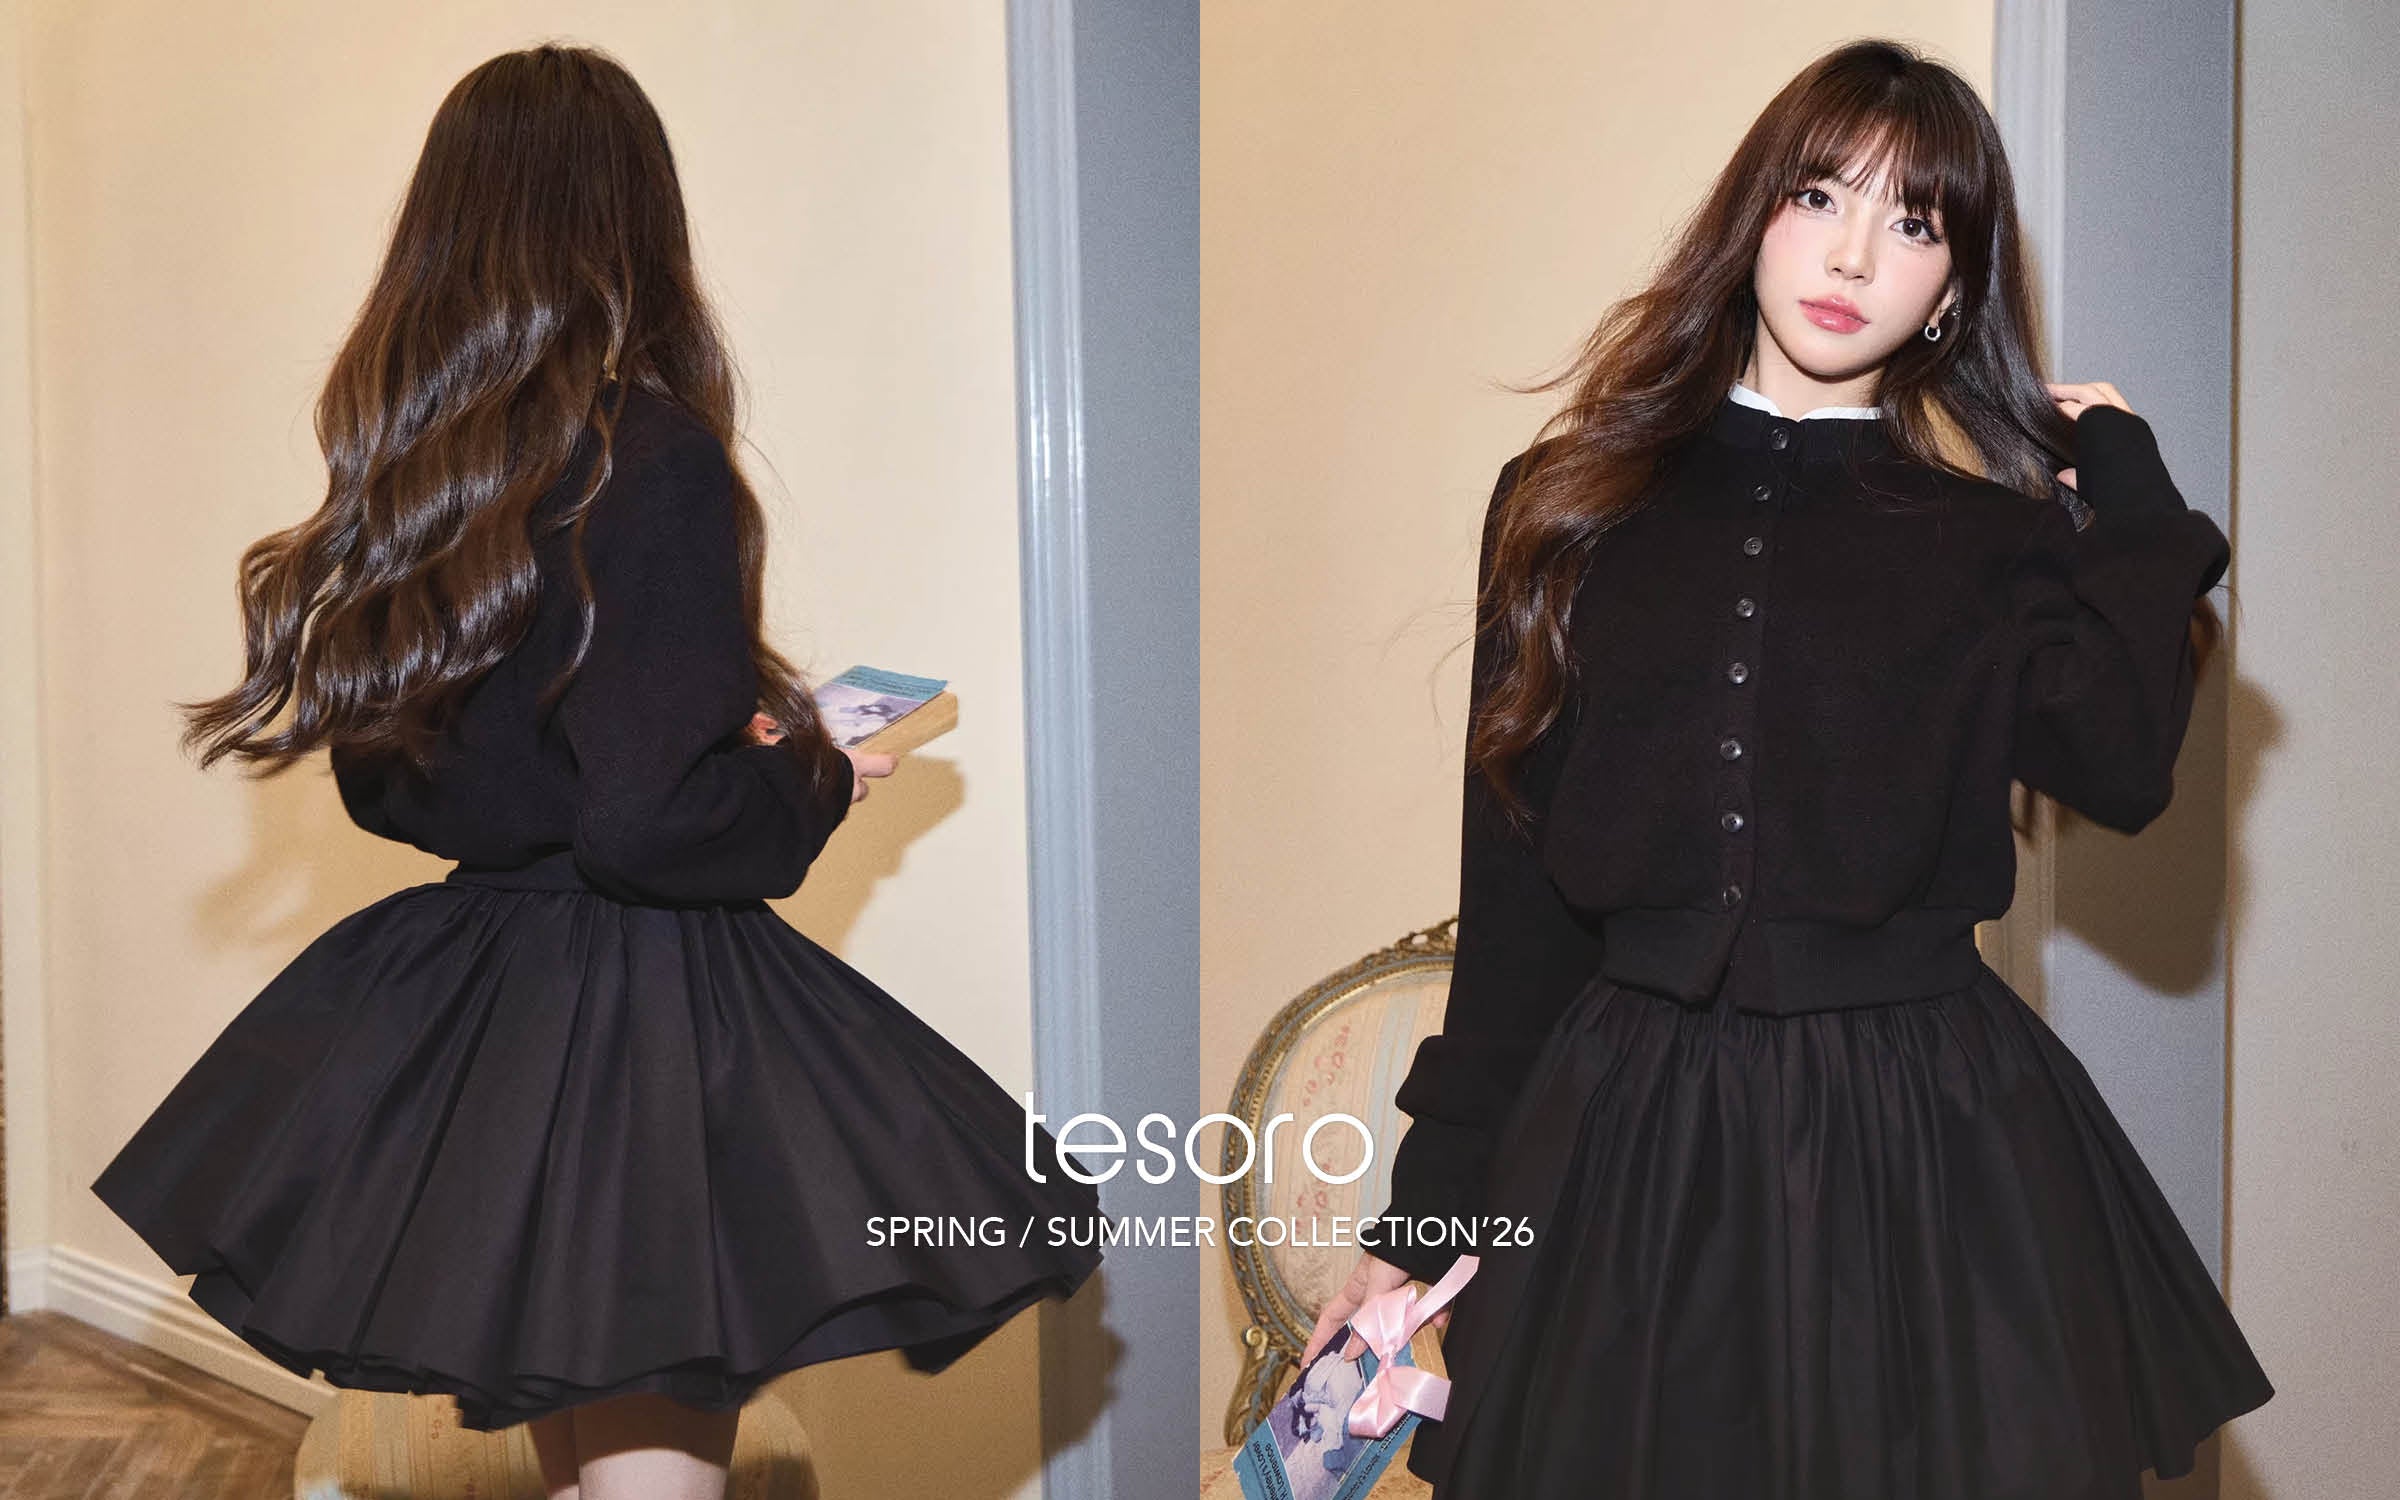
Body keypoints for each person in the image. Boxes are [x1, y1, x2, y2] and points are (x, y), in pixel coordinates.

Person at [87, 45, 1100, 1500]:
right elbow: (644, 821)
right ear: (636, 219)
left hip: (483, 1010)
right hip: (638, 1028)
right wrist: (811, 778)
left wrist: (711, 749)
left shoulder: (420, 475)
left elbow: (401, 790)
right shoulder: (651, 452)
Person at [1302, 38, 2271, 1500]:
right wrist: (1422, 1224)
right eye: (1820, 196)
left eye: (1914, 223)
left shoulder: (1994, 541)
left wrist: (2135, 508)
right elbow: (1516, 910)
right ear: (1753, 214)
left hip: (1918, 1147)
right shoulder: (1564, 507)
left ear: (1953, 289)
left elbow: (2123, 767)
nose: (1854, 255)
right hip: (1622, 1139)